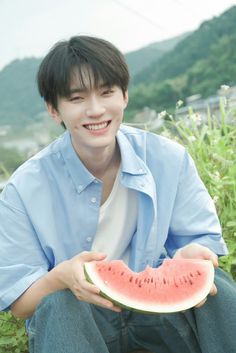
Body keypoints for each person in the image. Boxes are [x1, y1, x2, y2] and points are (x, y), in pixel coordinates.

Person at [0, 35, 235, 353]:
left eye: (107, 92)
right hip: (81, 321)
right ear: (54, 109)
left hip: (158, 313)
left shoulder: (168, 159)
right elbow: (21, 303)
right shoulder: (24, 189)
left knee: (215, 284)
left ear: (124, 95)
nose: (95, 110)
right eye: (77, 98)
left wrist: (192, 255)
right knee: (59, 305)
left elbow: (201, 245)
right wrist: (61, 278)